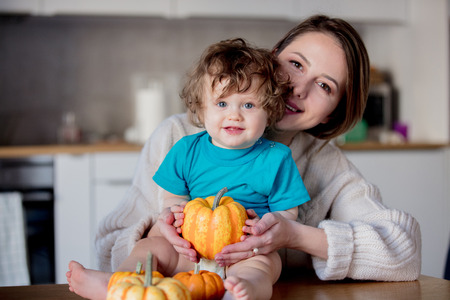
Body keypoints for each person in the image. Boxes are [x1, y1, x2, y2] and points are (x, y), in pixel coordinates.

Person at [94, 13, 420, 298]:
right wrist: (160, 232)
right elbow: (108, 245)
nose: (298, 88)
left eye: (325, 86)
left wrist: (295, 235)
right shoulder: (178, 136)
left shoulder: (326, 165)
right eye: (295, 64)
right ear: (271, 57)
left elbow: (404, 253)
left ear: (332, 114)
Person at [67, 38, 311, 300]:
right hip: (188, 250)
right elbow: (171, 198)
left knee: (267, 264)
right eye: (221, 104)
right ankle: (120, 284)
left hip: (243, 251)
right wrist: (176, 213)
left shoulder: (277, 158)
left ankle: (246, 288)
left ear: (270, 111)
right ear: (201, 107)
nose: (234, 115)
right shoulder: (185, 149)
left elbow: (288, 213)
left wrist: (264, 228)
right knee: (151, 246)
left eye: (248, 105)